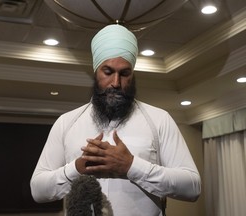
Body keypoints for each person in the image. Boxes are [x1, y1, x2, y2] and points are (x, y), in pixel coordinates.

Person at [30, 24, 201, 216]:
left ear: (132, 75)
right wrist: (76, 169)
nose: (116, 83)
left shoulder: (159, 119)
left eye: (125, 73)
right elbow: (38, 189)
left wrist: (130, 166)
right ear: (96, 72)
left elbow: (192, 186)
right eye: (108, 72)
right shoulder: (66, 122)